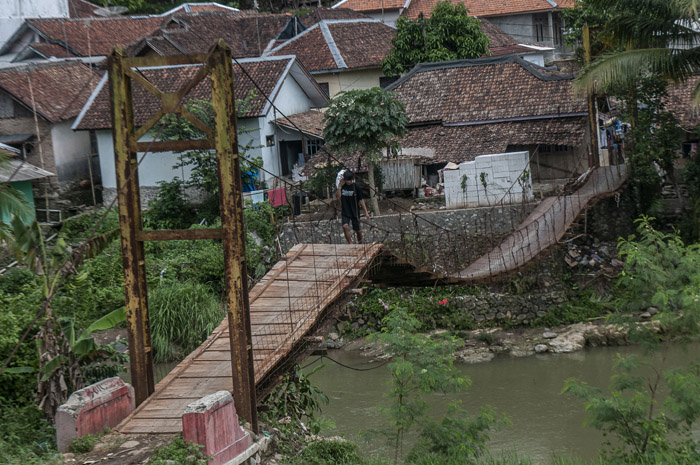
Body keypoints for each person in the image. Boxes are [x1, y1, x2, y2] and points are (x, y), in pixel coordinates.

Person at [336, 170, 370, 244]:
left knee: (357, 230)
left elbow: (361, 200)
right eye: (347, 180)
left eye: (350, 180)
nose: (348, 182)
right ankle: (350, 243)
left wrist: (366, 212)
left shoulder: (356, 187)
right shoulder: (342, 187)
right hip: (345, 211)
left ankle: (360, 243)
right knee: (345, 226)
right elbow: (338, 197)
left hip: (355, 211)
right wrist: (339, 186)